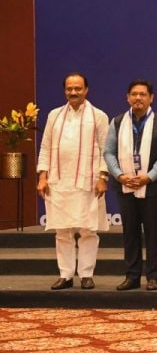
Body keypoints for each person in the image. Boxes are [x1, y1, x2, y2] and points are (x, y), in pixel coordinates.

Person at [36, 73, 109, 290]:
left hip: (89, 181)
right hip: (58, 181)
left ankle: (86, 274)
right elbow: (45, 147)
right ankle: (66, 275)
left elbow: (106, 150)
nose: (73, 92)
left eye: (78, 88)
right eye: (69, 89)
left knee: (88, 230)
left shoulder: (99, 116)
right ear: (65, 91)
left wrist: (103, 177)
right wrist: (42, 176)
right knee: (62, 231)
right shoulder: (54, 115)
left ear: (86, 90)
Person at [103, 79, 157, 291]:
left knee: (153, 233)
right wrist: (119, 175)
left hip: (152, 186)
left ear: (151, 98)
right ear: (127, 97)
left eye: (143, 94)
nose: (138, 98)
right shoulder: (117, 122)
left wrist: (148, 176)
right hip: (125, 185)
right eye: (134, 94)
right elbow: (108, 152)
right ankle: (132, 276)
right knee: (130, 233)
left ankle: (153, 276)